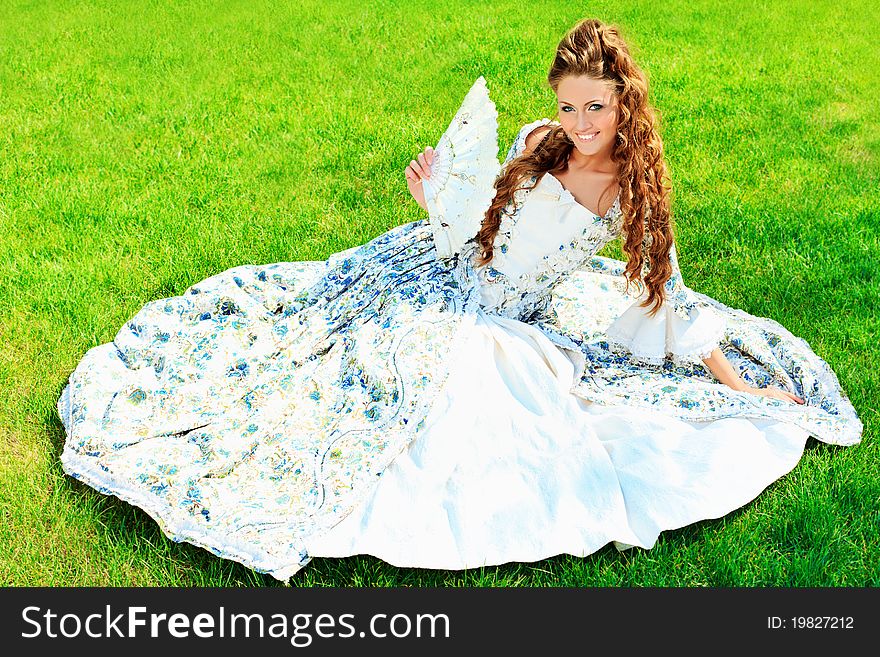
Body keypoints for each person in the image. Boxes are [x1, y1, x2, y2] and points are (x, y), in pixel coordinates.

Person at [57, 18, 862, 582]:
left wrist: (738, 384)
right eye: (570, 104)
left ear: (625, 104)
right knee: (309, 355)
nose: (579, 122)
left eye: (597, 106)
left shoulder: (629, 192)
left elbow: (668, 295)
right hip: (439, 273)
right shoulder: (533, 143)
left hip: (501, 319)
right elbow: (475, 232)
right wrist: (438, 197)